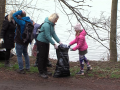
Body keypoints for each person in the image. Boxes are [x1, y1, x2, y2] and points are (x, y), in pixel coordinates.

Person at [36, 13, 62, 79]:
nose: (56, 21)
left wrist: (59, 41)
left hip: (46, 42)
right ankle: (41, 72)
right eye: (56, 20)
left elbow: (53, 34)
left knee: (45, 57)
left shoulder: (52, 25)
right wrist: (54, 44)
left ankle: (45, 70)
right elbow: (47, 36)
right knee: (41, 57)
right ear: (53, 19)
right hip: (41, 41)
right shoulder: (46, 25)